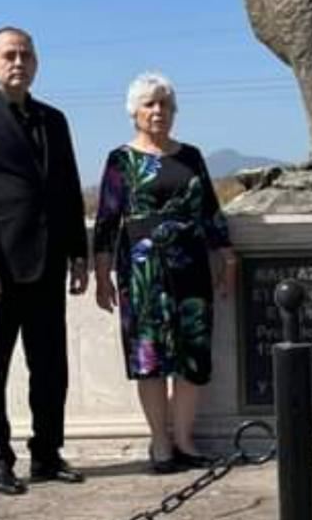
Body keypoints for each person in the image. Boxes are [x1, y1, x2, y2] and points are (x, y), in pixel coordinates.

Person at [0, 26, 90, 495]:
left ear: (37, 63)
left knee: (51, 370)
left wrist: (78, 255)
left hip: (47, 266)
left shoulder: (55, 120)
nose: (18, 62)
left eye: (26, 54)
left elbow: (67, 191)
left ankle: (46, 454)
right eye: (9, 54)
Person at [92, 72, 238, 474]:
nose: (158, 111)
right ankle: (160, 442)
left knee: (193, 356)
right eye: (149, 104)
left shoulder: (190, 156)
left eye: (165, 104)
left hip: (191, 268)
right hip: (141, 273)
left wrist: (227, 258)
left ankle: (185, 440)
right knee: (150, 358)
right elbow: (106, 220)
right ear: (134, 112)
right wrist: (102, 273)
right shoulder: (120, 159)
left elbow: (209, 210)